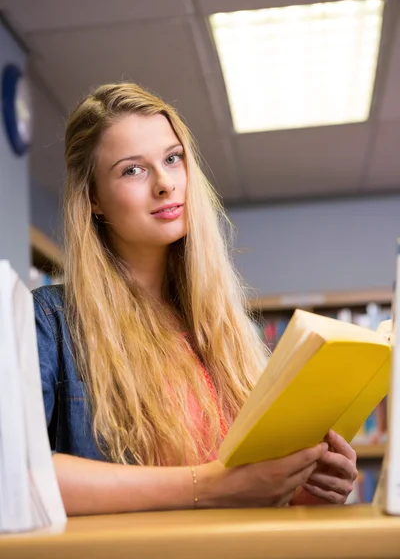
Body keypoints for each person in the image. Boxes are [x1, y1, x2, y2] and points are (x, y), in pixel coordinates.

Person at [33, 82, 357, 516]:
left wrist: (309, 485)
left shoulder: (221, 327)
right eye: (133, 170)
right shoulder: (51, 322)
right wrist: (207, 485)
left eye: (172, 159)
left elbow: (254, 492)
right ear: (94, 200)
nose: (165, 184)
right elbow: (18, 473)